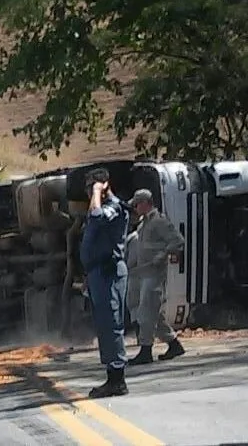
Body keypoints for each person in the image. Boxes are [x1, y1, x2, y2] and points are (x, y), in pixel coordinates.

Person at [80, 167, 130, 398]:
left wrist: (98, 192)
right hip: (97, 273)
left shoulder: (113, 207)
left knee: (112, 322)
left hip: (109, 271)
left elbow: (97, 217)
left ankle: (117, 380)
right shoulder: (98, 207)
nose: (90, 192)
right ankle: (112, 375)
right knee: (104, 323)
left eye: (93, 186)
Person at [127, 188, 187, 365]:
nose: (136, 208)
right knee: (150, 311)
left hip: (154, 274)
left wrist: (162, 256)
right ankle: (173, 344)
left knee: (147, 311)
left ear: (146, 203)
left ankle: (146, 350)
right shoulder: (143, 223)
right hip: (143, 273)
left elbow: (178, 241)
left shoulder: (159, 222)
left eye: (138, 204)